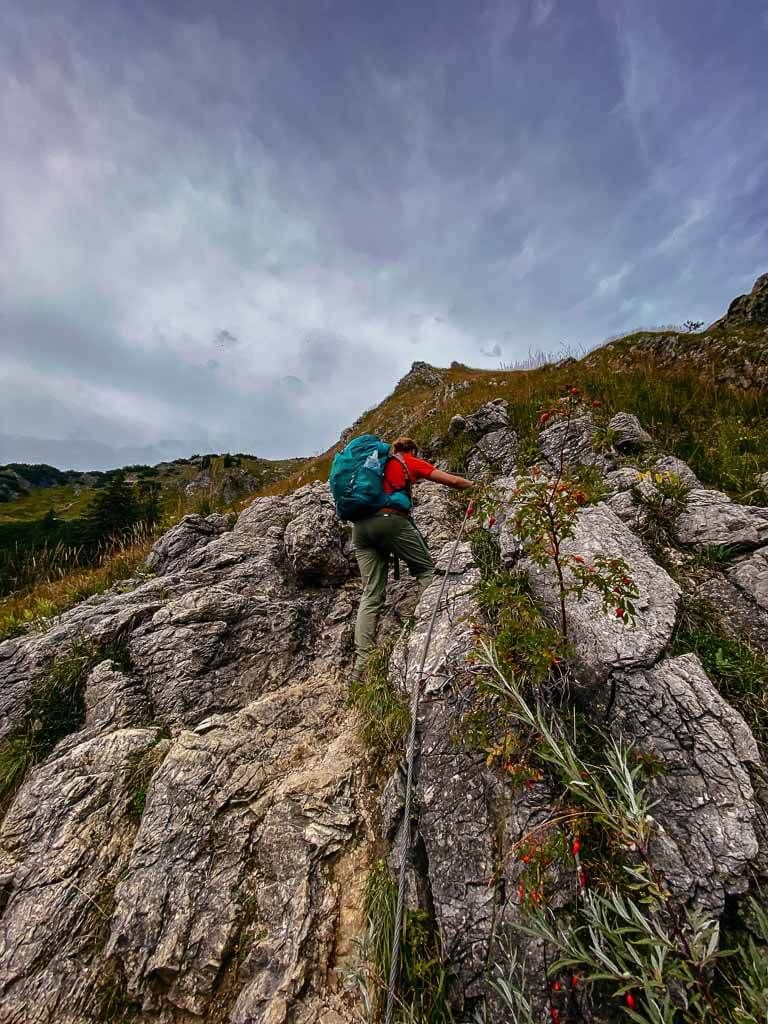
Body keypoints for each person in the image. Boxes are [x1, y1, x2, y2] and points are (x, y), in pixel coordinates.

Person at [352, 436, 473, 676]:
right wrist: (477, 488)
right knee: (426, 571)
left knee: (371, 594)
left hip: (360, 529)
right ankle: (439, 627)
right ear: (412, 450)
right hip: (390, 522)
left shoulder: (373, 464)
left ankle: (362, 664)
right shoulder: (408, 462)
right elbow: (453, 481)